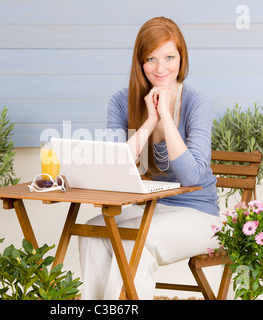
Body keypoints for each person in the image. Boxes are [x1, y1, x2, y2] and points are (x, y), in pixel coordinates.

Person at [78, 17, 221, 300]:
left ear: (182, 59)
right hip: (151, 207)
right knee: (92, 232)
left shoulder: (197, 103)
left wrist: (166, 117)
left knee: (137, 242)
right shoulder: (121, 101)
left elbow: (192, 177)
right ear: (140, 62)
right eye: (151, 59)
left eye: (169, 57)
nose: (161, 68)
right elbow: (113, 167)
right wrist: (148, 122)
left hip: (199, 214)